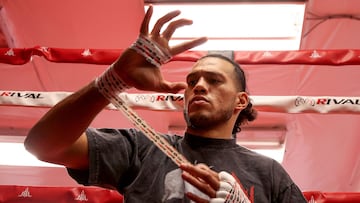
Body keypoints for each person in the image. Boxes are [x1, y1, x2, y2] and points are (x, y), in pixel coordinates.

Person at [24, 5, 307, 203]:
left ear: (240, 101)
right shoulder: (143, 148)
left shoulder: (268, 172)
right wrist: (114, 79)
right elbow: (43, 145)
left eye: (214, 81)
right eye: (193, 80)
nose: (198, 86)